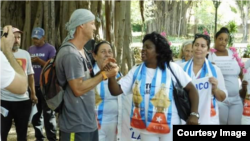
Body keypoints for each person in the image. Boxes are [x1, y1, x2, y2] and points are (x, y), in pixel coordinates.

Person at [108, 32, 199, 141]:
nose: (143, 50)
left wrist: (194, 114)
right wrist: (111, 75)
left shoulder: (172, 68)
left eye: (148, 47)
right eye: (143, 47)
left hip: (170, 126)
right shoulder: (136, 70)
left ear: (158, 51)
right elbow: (116, 90)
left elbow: (192, 89)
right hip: (147, 128)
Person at [55, 9, 118, 141]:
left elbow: (87, 80)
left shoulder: (81, 50)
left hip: (88, 124)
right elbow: (78, 89)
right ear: (81, 25)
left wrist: (103, 70)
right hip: (75, 126)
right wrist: (105, 75)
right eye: (92, 23)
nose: (95, 28)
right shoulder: (70, 54)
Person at [179, 34, 227, 124]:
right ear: (192, 47)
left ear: (208, 50)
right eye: (196, 45)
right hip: (186, 117)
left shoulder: (215, 70)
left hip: (209, 119)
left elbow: (223, 98)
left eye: (203, 46)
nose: (199, 48)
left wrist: (215, 89)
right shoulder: (181, 68)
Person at [0, 27, 37, 141]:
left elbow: (30, 75)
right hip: (4, 101)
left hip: (22, 101)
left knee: (22, 134)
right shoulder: (2, 55)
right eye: (14, 37)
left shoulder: (25, 54)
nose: (16, 40)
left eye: (18, 38)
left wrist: (33, 93)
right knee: (3, 132)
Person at [207, 27, 243, 125]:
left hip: (236, 99)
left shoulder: (232, 53)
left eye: (226, 40)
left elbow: (241, 70)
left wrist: (243, 87)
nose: (223, 42)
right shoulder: (209, 55)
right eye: (220, 39)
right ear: (215, 39)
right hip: (220, 100)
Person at [28, 27, 57, 141]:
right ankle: (39, 137)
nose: (35, 40)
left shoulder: (50, 49)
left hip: (46, 86)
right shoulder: (30, 49)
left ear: (44, 37)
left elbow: (53, 66)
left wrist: (39, 61)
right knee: (36, 114)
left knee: (48, 114)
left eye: (38, 38)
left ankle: (52, 138)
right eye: (34, 38)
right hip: (33, 86)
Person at [92, 40, 123, 141]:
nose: (107, 54)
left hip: (114, 124)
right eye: (103, 52)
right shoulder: (90, 75)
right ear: (94, 56)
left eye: (110, 51)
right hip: (94, 124)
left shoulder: (118, 75)